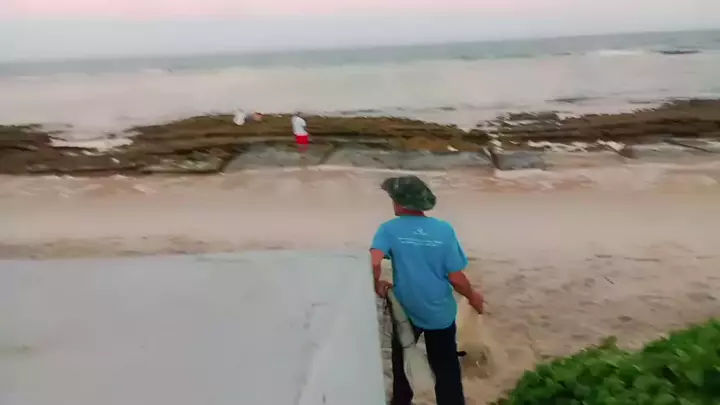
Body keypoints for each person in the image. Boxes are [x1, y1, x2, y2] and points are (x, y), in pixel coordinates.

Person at [370, 175, 484, 405]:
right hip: (439, 312)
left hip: (405, 310)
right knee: (446, 367)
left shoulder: (388, 229)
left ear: (400, 203)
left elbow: (373, 262)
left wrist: (377, 284)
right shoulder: (444, 230)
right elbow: (456, 278)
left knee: (402, 361)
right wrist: (473, 298)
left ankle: (402, 400)